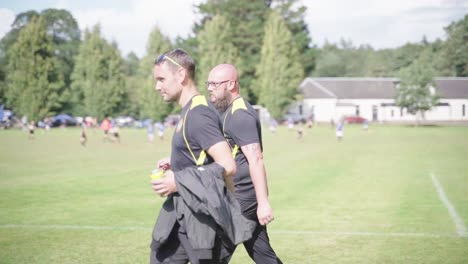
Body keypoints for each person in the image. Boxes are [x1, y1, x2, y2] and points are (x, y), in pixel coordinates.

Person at [149, 49, 242, 264]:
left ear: (181, 75)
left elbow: (228, 165)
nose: (157, 86)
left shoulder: (199, 113)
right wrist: (177, 162)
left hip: (203, 219)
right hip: (181, 214)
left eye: (161, 79)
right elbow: (202, 155)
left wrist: (178, 180)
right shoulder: (189, 110)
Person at [207, 64, 282, 264]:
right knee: (262, 254)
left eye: (214, 83)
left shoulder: (241, 115)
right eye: (208, 83)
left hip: (242, 197)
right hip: (239, 194)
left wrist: (263, 202)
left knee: (212, 255)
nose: (209, 88)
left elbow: (255, 158)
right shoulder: (227, 111)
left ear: (231, 84)